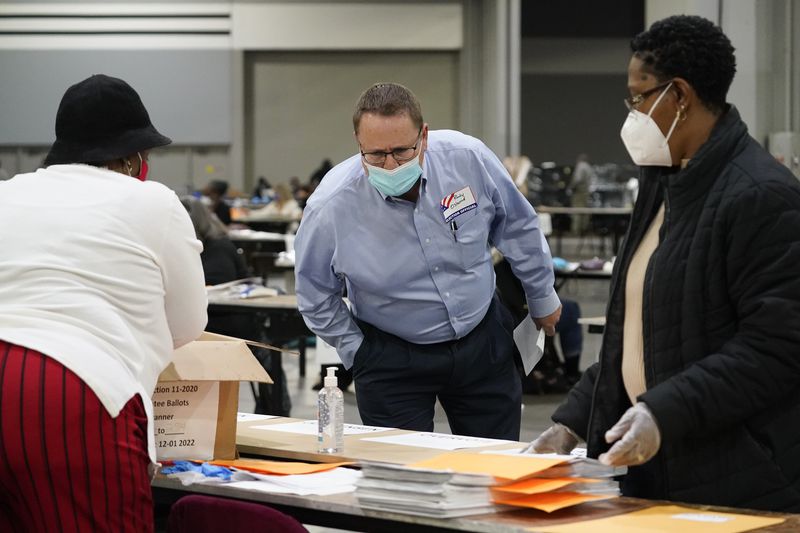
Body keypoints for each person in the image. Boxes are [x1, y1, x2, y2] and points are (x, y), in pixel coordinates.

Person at [529, 15, 800, 512]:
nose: (631, 112)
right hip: (658, 466)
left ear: (679, 96)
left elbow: (776, 348)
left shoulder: (762, 196)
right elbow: (635, 335)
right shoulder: (663, 186)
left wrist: (662, 410)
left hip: (740, 476)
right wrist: (570, 421)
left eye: (638, 96)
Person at [294, 83, 561, 440]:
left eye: (402, 152)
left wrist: (542, 296)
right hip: (392, 356)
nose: (389, 165)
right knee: (402, 480)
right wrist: (359, 351)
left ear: (424, 135)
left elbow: (517, 225)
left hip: (482, 341)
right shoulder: (330, 207)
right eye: (375, 155)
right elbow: (314, 295)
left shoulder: (468, 159)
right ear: (358, 142)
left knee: (495, 469)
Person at [0, 74, 208, 531]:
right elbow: (189, 324)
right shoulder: (153, 201)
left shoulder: (6, 193)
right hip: (70, 384)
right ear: (135, 156)